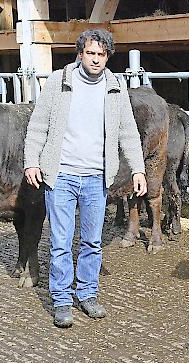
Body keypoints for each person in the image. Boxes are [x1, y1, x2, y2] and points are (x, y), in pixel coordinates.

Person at [24, 29, 147, 328]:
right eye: (90, 53)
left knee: (92, 242)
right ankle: (62, 301)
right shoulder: (59, 81)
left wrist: (138, 169)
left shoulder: (115, 86)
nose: (95, 59)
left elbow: (128, 131)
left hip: (96, 178)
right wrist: (31, 162)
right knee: (61, 242)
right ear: (80, 54)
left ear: (107, 57)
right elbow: (38, 125)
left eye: (101, 54)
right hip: (61, 174)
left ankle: (88, 294)